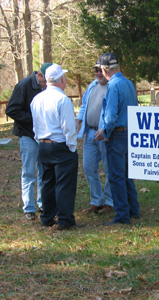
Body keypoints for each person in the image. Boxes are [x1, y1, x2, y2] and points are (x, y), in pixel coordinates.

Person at [31, 63, 81, 230]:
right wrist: (72, 147)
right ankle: (65, 219)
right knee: (64, 184)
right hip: (60, 145)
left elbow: (35, 126)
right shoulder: (62, 100)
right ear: (61, 79)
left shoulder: (37, 99)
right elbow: (68, 127)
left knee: (47, 183)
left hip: (43, 145)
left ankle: (47, 217)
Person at [94, 53, 140, 225]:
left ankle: (122, 215)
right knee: (128, 174)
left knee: (116, 176)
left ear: (105, 70)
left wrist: (105, 131)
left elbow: (111, 116)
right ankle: (133, 209)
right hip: (129, 132)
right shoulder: (128, 83)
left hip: (117, 134)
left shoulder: (113, 85)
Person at [6, 62, 53, 221]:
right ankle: (29, 207)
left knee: (43, 170)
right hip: (27, 135)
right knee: (28, 172)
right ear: (39, 75)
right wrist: (33, 120)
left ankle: (42, 203)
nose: (47, 85)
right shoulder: (24, 85)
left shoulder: (46, 87)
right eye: (46, 81)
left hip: (43, 135)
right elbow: (11, 109)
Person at [76, 60, 113, 215]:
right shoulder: (93, 85)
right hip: (90, 133)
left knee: (109, 168)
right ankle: (96, 201)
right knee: (89, 167)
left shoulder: (113, 86)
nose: (98, 73)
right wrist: (78, 120)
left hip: (105, 134)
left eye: (101, 70)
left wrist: (105, 129)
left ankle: (110, 202)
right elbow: (84, 105)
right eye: (96, 70)